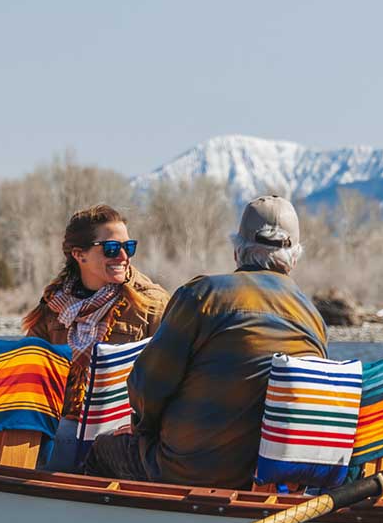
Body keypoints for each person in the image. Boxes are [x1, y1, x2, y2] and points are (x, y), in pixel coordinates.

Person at [85, 195, 327, 490]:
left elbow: (147, 384)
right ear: (294, 257)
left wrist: (142, 430)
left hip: (187, 471)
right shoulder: (313, 317)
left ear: (238, 251)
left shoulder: (204, 295)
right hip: (271, 483)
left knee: (101, 449)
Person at [22, 204, 169, 470]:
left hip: (125, 432)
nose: (123, 256)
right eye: (112, 249)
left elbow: (174, 378)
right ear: (79, 255)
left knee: (61, 435)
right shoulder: (54, 304)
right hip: (63, 422)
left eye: (129, 247)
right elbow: (29, 370)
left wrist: (141, 425)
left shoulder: (152, 304)